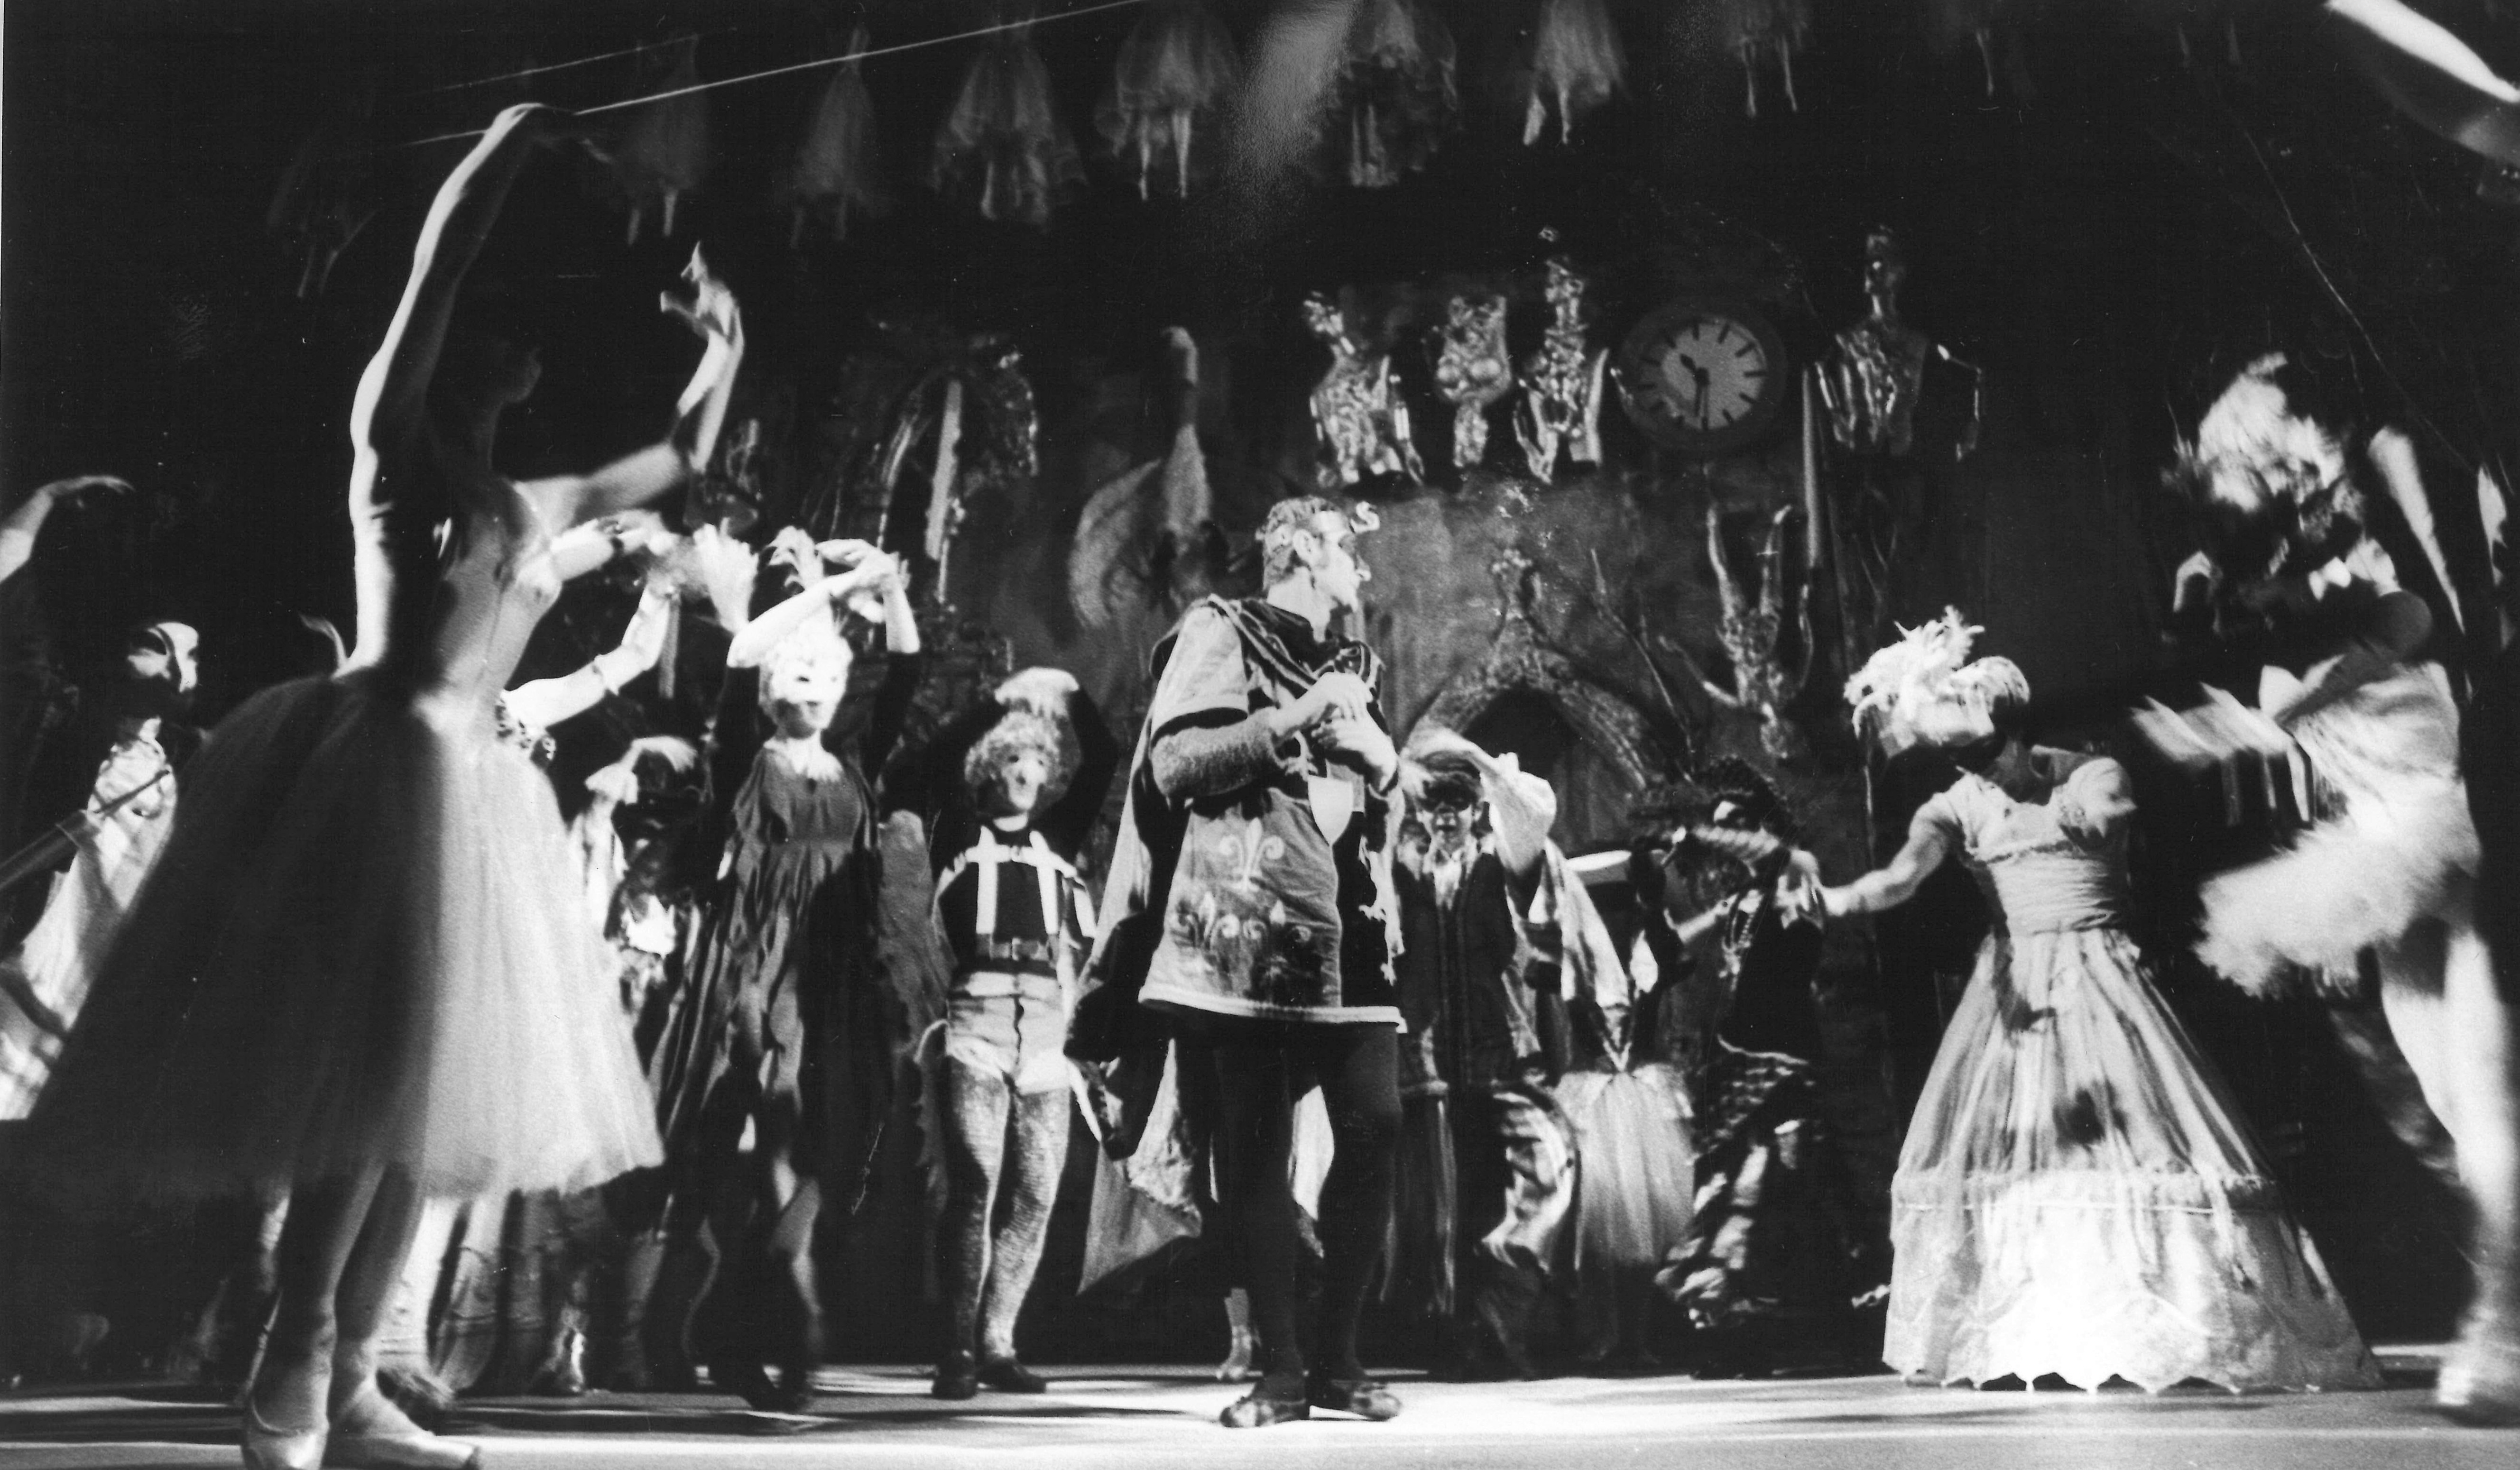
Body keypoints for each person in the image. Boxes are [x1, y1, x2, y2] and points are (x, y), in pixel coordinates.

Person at [22, 101, 743, 1470]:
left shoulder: (536, 499)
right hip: (377, 768)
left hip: (473, 789)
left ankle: (351, 1379)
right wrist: (512, 141)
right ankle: (289, 1374)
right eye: (508, 328)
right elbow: (435, 266)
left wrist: (727, 344)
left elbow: (683, 463)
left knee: (423, 1109)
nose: (531, 347)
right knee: (368, 1096)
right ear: (467, 348)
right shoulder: (396, 448)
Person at [1787, 610, 2376, 1393]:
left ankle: (2145, 1329)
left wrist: (2091, 812)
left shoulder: (2090, 774)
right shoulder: (1953, 805)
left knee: (2133, 1145)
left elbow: (2108, 818)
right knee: (2023, 1153)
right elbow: (1899, 878)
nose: (1974, 770)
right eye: (1956, 757)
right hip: (2013, 987)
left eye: (1980, 752)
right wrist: (1833, 900)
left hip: (2100, 974)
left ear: (2011, 732)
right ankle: (2033, 1330)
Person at [2163, 354, 2519, 1420]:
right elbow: (2262, 669)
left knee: (2484, 1087)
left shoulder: (2382, 594)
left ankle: (2501, 1326)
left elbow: (2378, 642)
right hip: (2381, 847)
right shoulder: (2282, 617)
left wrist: (2245, 718)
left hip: (2454, 832)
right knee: (2439, 1100)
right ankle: (2499, 1298)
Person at [1073, 495, 1404, 1428]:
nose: (1359, 571)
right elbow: (1176, 764)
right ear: (1301, 551)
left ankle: (1339, 1357)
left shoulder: (1357, 663)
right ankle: (1283, 1369)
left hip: (1351, 926)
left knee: (1376, 1128)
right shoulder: (1221, 629)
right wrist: (1296, 717)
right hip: (1248, 925)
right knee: (1254, 1151)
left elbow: (1382, 795)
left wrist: (1382, 760)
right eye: (1347, 552)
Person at [642, 537, 921, 1412]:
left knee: (820, 1142)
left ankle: (758, 1314)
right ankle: (771, 1321)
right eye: (798, 673)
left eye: (827, 674)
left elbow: (905, 676)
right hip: (755, 971)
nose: (814, 685)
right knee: (761, 1138)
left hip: (835, 971)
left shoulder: (854, 767)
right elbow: (741, 652)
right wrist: (835, 589)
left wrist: (889, 588)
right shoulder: (745, 759)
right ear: (773, 690)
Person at [918, 668, 1117, 1398]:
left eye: (1036, 759)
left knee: (1036, 1193)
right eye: (1011, 758)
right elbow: (941, 756)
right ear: (988, 770)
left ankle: (997, 1342)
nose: (1027, 771)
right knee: (974, 1186)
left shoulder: (1057, 838)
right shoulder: (957, 831)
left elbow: (1102, 758)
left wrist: (1068, 691)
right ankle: (954, 1350)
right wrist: (1001, 700)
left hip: (1045, 1035)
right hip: (976, 1026)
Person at [1650, 761, 1877, 1377]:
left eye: (1740, 823)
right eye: (1722, 823)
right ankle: (1734, 1332)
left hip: (1784, 1057)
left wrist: (1701, 833)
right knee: (1732, 1193)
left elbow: (1774, 854)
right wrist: (1655, 893)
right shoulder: (1741, 900)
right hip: (1736, 1059)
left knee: (1779, 1187)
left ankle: (1801, 1336)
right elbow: (1676, 946)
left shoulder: (1797, 873)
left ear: (1767, 825)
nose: (1730, 835)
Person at [1387, 731, 1578, 1378]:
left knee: (1550, 1164)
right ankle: (1468, 1337)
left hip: (1501, 1056)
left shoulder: (1502, 859)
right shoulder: (1405, 872)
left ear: (1475, 809)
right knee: (1452, 1205)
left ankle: (1504, 1305)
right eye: (1434, 806)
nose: (1445, 817)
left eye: (1457, 804)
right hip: (1434, 1066)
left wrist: (1474, 757)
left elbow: (1532, 808)